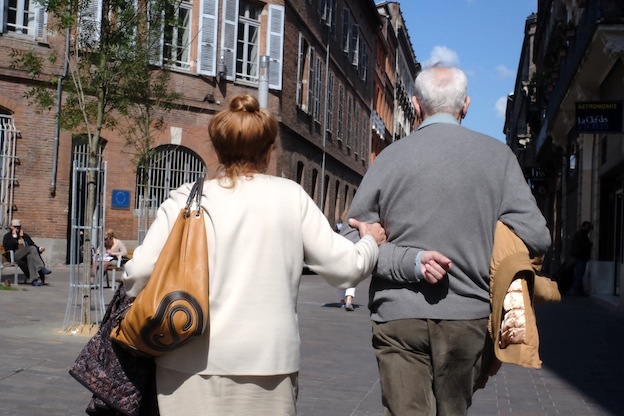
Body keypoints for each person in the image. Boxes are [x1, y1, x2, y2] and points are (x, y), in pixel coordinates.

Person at [122, 94, 387, 416]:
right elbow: (347, 268)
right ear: (268, 150)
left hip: (185, 357)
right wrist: (370, 241)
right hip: (268, 361)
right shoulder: (290, 197)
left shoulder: (184, 198)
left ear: (217, 148)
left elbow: (139, 272)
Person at [341, 65, 551, 416]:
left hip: (398, 315)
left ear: (416, 105)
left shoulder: (389, 158)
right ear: (465, 105)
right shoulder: (498, 158)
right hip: (468, 317)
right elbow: (537, 236)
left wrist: (401, 258)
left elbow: (351, 237)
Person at [2, 218, 52, 286]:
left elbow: (33, 245)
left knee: (30, 256)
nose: (17, 229)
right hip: (14, 255)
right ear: (11, 227)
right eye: (15, 227)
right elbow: (8, 247)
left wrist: (39, 249)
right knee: (31, 249)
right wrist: (14, 237)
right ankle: (41, 267)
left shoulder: (24, 236)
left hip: (25, 256)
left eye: (18, 227)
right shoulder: (8, 236)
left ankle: (33, 280)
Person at [570, 221, 592, 295]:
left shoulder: (579, 234)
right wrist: (589, 244)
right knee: (579, 274)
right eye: (587, 227)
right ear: (584, 227)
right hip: (580, 257)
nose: (588, 230)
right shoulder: (581, 235)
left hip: (579, 257)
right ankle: (578, 290)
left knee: (578, 274)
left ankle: (577, 290)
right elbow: (582, 245)